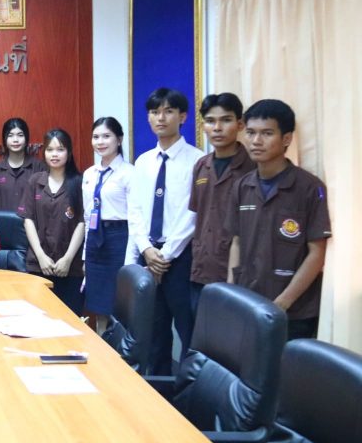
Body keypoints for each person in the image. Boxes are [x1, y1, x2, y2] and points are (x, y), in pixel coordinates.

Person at [227, 99, 331, 340]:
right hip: (248, 303)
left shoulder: (309, 188)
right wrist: (231, 291)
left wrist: (282, 303)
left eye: (266, 133)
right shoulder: (242, 186)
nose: (256, 141)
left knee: (286, 365)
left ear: (286, 139)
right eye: (250, 133)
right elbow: (237, 242)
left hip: (293, 312)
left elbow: (317, 253)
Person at [128, 87, 205, 374]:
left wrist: (165, 255)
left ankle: (189, 393)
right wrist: (147, 250)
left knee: (188, 329)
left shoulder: (197, 160)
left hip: (181, 258)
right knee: (152, 330)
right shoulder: (143, 161)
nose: (161, 118)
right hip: (148, 254)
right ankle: (158, 389)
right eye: (154, 112)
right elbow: (135, 209)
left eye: (168, 111)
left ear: (182, 116)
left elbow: (192, 213)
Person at [188, 93, 253, 316]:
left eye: (226, 120)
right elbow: (199, 214)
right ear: (202, 126)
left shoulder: (252, 167)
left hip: (239, 271)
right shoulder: (201, 165)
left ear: (240, 124)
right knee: (202, 331)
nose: (217, 128)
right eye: (210, 121)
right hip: (202, 268)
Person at [24, 129, 86, 315]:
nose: (54, 154)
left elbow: (82, 223)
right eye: (50, 150)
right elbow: (28, 219)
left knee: (70, 319)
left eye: (60, 149)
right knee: (38, 318)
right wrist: (41, 256)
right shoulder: (35, 181)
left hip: (70, 267)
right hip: (38, 265)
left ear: (69, 152)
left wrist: (67, 259)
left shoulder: (79, 182)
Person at [81, 117, 134, 329]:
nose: (100, 142)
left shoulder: (129, 173)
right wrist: (85, 255)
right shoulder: (89, 174)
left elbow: (136, 219)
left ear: (119, 139)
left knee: (119, 306)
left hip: (119, 238)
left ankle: (120, 348)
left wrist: (131, 260)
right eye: (96, 137)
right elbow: (87, 217)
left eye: (106, 136)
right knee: (98, 307)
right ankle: (102, 343)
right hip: (95, 240)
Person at [0, 117, 47, 218]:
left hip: (31, 225)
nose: (15, 140)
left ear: (26, 138)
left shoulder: (39, 167)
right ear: (4, 139)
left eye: (20, 135)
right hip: (3, 224)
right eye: (10, 135)